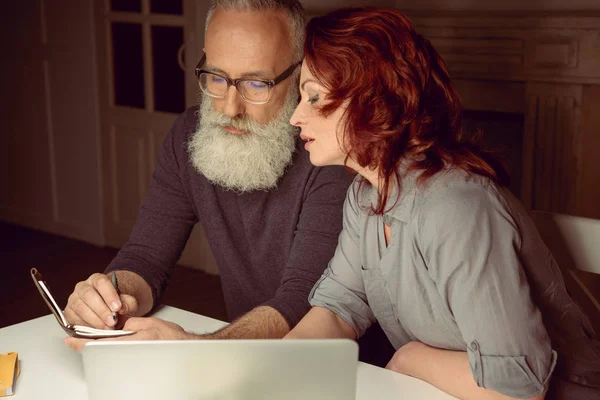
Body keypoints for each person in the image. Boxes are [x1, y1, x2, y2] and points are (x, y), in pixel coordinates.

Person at [285, 7, 600, 400]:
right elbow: (337, 309)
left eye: (314, 96)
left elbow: (517, 391)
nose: (296, 116)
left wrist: (410, 358)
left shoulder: (456, 207)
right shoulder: (365, 196)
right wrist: (269, 369)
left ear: (372, 98)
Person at [62, 0, 394, 366]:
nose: (230, 107)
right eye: (216, 78)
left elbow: (304, 300)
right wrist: (110, 297)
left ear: (299, 75)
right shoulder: (188, 134)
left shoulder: (329, 151)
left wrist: (194, 347)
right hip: (246, 363)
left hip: (350, 372)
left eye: (256, 83)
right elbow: (145, 257)